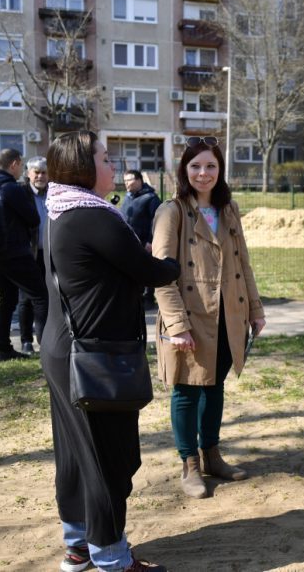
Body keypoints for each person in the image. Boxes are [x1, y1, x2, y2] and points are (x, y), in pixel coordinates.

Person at [42, 131, 180, 572]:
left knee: (76, 454)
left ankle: (79, 545)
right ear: (84, 168)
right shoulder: (92, 216)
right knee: (108, 457)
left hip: (66, 348)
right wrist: (172, 261)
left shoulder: (57, 210)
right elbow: (152, 271)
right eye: (104, 157)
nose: (113, 164)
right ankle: (111, 557)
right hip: (95, 355)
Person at [152, 136, 265, 499]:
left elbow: (244, 263)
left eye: (211, 166)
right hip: (188, 316)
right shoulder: (171, 212)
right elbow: (160, 274)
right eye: (196, 166)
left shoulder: (228, 209)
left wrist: (255, 311)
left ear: (220, 170)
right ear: (184, 170)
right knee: (186, 391)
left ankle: (212, 454)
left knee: (215, 387)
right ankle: (190, 464)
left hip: (227, 315)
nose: (204, 173)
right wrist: (177, 325)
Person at [0, 149, 48, 361]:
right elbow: (33, 219)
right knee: (41, 296)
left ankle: (3, 349)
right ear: (15, 164)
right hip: (17, 252)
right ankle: (47, 347)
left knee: (7, 300)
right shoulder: (10, 188)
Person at [17, 157, 49, 353]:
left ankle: (44, 339)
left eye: (44, 172)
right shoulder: (20, 194)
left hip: (51, 254)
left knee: (48, 297)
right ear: (28, 173)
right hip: (28, 254)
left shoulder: (54, 193)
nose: (40, 176)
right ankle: (26, 340)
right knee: (26, 299)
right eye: (36, 172)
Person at [121, 170, 162, 308]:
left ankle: (148, 299)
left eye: (129, 180)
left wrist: (151, 241)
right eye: (124, 180)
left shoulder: (150, 198)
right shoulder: (128, 198)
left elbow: (158, 220)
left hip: (145, 243)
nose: (126, 183)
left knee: (146, 270)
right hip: (130, 243)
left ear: (139, 180)